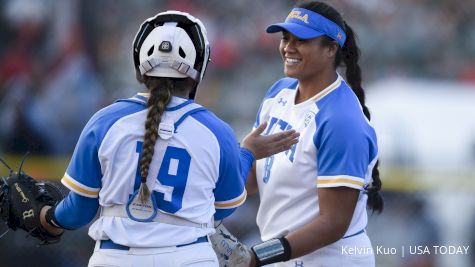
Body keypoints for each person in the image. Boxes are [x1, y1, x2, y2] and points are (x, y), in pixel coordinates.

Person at [36, 10, 299, 267]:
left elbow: (78, 211)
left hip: (114, 258)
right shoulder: (217, 132)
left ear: (140, 66)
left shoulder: (105, 121)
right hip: (190, 257)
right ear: (198, 68)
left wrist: (47, 217)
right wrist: (247, 153)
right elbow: (220, 210)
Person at [245, 2, 383, 267]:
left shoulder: (341, 120)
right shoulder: (279, 92)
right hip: (281, 255)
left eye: (302, 40)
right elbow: (251, 181)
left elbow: (333, 223)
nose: (288, 47)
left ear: (331, 49)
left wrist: (258, 256)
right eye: (285, 38)